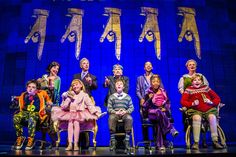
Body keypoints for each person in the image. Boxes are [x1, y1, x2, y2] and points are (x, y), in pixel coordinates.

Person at [51, 79, 106, 151]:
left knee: (76, 122)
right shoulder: (70, 95)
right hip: (70, 113)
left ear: (81, 85)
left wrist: (96, 113)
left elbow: (90, 105)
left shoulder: (84, 95)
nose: (75, 86)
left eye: (76, 84)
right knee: (71, 122)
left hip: (80, 114)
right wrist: (65, 98)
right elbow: (63, 106)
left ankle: (76, 144)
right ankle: (70, 144)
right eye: (73, 85)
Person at [181, 74, 224, 150]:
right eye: (195, 80)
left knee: (212, 117)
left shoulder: (206, 88)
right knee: (196, 118)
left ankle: (215, 141)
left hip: (208, 109)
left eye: (199, 80)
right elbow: (183, 101)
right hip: (195, 110)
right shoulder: (189, 89)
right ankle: (196, 143)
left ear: (201, 82)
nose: (197, 81)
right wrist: (192, 103)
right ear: (192, 82)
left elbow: (217, 98)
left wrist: (211, 102)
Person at [13, 79, 52, 150]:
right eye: (29, 87)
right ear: (26, 87)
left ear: (37, 89)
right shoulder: (24, 94)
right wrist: (15, 98)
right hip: (25, 113)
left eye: (33, 87)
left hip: (37, 114)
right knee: (16, 117)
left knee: (32, 117)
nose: (30, 88)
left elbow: (48, 99)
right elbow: (19, 99)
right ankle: (20, 137)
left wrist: (49, 103)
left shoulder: (41, 93)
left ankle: (31, 139)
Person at [143, 74, 178, 151]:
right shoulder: (148, 92)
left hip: (161, 114)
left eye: (157, 81)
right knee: (158, 112)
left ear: (159, 82)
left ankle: (159, 145)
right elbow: (144, 106)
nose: (155, 83)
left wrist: (165, 108)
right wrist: (149, 99)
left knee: (159, 123)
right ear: (151, 83)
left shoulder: (163, 91)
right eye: (154, 81)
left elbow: (168, 103)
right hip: (151, 113)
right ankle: (171, 129)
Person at [73, 57, 98, 149]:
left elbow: (95, 87)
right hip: (77, 101)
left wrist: (91, 82)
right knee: (77, 120)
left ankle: (86, 143)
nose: (86, 64)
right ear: (80, 65)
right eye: (84, 63)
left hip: (87, 101)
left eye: (87, 63)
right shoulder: (76, 76)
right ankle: (76, 142)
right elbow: (72, 87)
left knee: (85, 120)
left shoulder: (92, 77)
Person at [37, 61, 61, 147]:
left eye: (57, 69)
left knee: (51, 123)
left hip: (52, 103)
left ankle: (54, 142)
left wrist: (52, 89)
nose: (56, 70)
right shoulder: (44, 77)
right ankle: (43, 142)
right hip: (42, 102)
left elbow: (57, 93)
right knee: (43, 122)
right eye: (54, 67)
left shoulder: (58, 79)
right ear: (50, 68)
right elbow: (38, 88)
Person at [107, 78, 134, 152]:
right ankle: (113, 141)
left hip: (124, 113)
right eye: (117, 84)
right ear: (115, 87)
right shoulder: (112, 97)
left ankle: (127, 141)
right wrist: (115, 112)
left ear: (123, 87)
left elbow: (131, 108)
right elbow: (109, 108)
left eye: (121, 84)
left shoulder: (127, 97)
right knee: (111, 118)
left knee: (129, 118)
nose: (119, 85)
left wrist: (125, 111)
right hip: (115, 113)